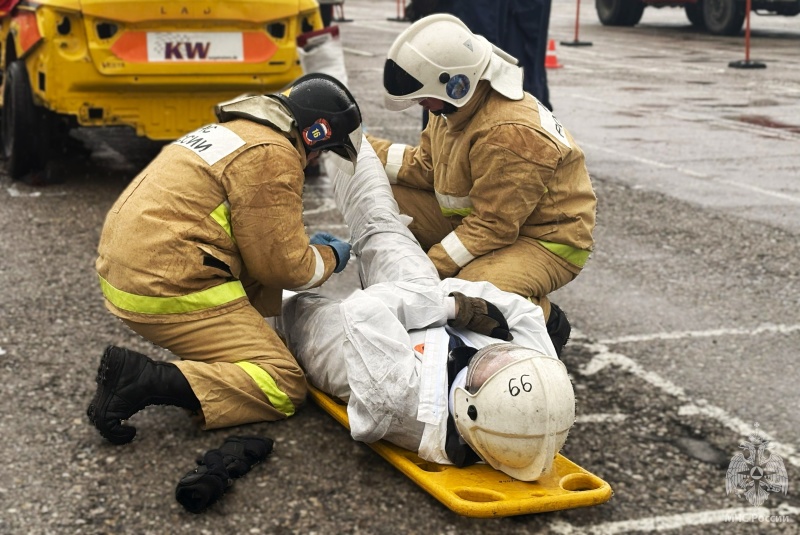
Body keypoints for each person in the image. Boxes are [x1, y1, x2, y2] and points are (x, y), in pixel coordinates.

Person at [268, 140, 575, 481]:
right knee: (382, 225)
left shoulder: (400, 399)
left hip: (359, 350)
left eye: (489, 367)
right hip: (429, 309)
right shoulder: (537, 374)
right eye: (504, 357)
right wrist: (460, 306)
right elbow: (524, 315)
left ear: (466, 406)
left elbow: (366, 312)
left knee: (284, 308)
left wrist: (451, 306)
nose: (497, 355)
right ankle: (348, 137)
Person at [87, 73, 362, 445]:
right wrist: (330, 256)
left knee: (258, 290)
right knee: (282, 383)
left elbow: (245, 234)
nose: (314, 159)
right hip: (166, 284)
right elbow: (286, 269)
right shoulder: (273, 154)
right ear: (315, 133)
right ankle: (142, 380)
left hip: (129, 269)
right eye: (322, 149)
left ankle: (208, 358)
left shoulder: (239, 131)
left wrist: (294, 247)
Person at [366, 14, 597, 355]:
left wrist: (429, 270)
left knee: (468, 295)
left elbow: (494, 226)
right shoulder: (451, 105)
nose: (420, 104)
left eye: (423, 97)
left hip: (546, 240)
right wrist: (362, 149)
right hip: (490, 221)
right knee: (384, 200)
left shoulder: (508, 133)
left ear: (455, 82)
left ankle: (546, 321)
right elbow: (426, 166)